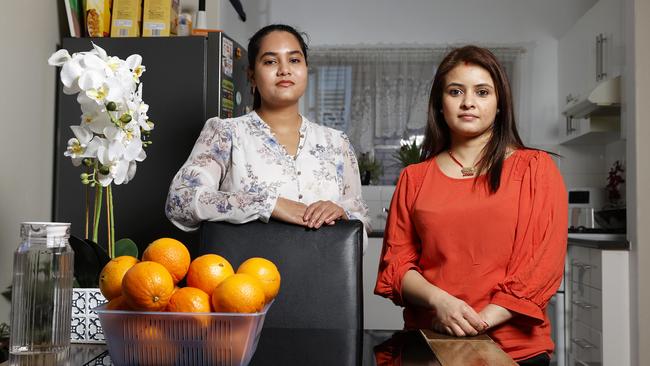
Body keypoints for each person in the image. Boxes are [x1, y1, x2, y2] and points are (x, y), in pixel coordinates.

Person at [374, 45, 567, 366]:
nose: (468, 102)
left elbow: (540, 266)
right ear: (439, 103)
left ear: (500, 103)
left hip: (514, 350)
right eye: (455, 91)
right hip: (430, 346)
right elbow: (396, 266)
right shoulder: (414, 177)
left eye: (482, 92)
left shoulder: (535, 168)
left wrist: (474, 325)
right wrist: (440, 301)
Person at [165, 24, 370, 244]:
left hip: (323, 273)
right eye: (271, 61)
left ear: (306, 69)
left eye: (294, 60)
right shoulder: (226, 134)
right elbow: (180, 201)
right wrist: (269, 204)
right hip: (243, 275)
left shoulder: (337, 143)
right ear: (252, 76)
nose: (284, 70)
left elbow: (361, 224)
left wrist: (342, 214)